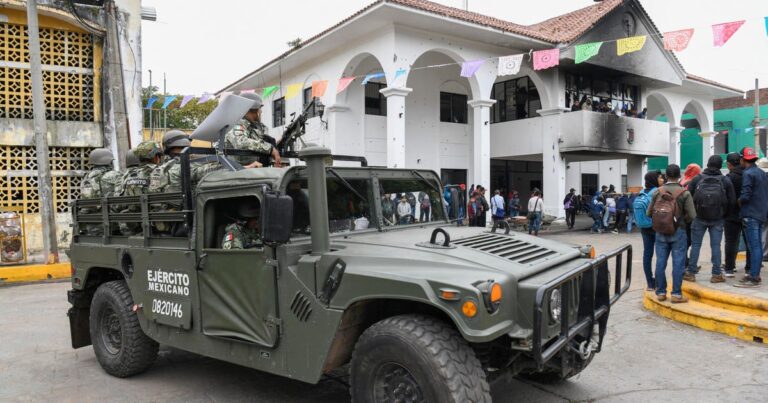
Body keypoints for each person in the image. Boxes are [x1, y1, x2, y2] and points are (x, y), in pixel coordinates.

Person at [647, 164, 696, 303]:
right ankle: (676, 294)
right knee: (678, 263)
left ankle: (661, 292)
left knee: (660, 262)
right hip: (678, 231)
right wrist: (681, 221)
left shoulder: (658, 192)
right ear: (679, 176)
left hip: (660, 232)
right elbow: (692, 215)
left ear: (666, 176)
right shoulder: (684, 193)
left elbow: (649, 213)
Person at [683, 155, 735, 283]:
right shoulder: (725, 180)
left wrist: (692, 214)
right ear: (720, 166)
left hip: (699, 217)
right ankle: (716, 274)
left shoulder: (697, 179)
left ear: (707, 164)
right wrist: (724, 214)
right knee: (716, 246)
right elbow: (732, 201)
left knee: (696, 245)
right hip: (717, 218)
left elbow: (689, 198)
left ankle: (691, 273)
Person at [735, 147, 768, 288]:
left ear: (743, 159)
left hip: (751, 214)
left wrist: (739, 201)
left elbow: (746, 194)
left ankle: (754, 277)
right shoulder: (761, 173)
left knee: (754, 246)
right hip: (760, 213)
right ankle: (754, 274)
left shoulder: (747, 173)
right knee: (757, 246)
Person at [116, 141, 164, 235]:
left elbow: (119, 203)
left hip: (134, 226)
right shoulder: (161, 172)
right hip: (156, 226)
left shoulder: (127, 176)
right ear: (155, 157)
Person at [223, 93, 281, 168]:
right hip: (226, 169)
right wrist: (270, 149)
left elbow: (258, 144)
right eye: (260, 109)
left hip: (238, 168)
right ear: (254, 110)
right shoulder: (236, 123)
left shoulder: (250, 127)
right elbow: (241, 142)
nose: (261, 112)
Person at [79, 148, 122, 235]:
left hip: (89, 224)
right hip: (110, 224)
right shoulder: (114, 175)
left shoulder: (86, 178)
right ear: (108, 161)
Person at [634, 171, 660, 291]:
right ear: (655, 179)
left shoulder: (642, 192)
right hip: (655, 226)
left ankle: (650, 283)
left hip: (644, 227)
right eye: (658, 177)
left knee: (647, 255)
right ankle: (658, 281)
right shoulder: (657, 192)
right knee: (660, 255)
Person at [723, 152, 747, 278]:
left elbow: (725, 197)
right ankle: (749, 269)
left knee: (731, 241)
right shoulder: (748, 174)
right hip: (747, 212)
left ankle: (729, 268)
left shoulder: (728, 178)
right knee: (749, 242)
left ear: (728, 164)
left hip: (731, 214)